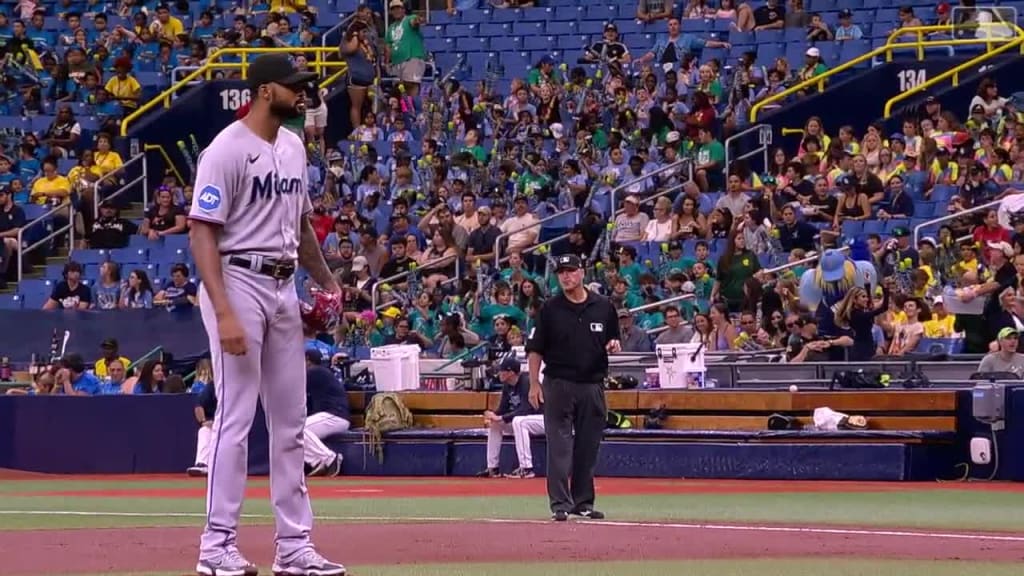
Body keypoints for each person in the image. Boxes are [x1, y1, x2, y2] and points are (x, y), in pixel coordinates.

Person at [187, 53, 345, 576]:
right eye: (292, 85)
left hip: (282, 284)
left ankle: (294, 546)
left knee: (291, 421)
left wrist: (326, 282)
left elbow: (300, 225)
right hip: (235, 279)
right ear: (262, 91)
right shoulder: (225, 151)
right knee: (235, 417)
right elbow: (202, 232)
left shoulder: (294, 147)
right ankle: (216, 546)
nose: (301, 93)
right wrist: (224, 311)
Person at [526, 254, 620, 522]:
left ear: (582, 273)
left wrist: (613, 344)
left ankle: (583, 501)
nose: (566, 276)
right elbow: (535, 349)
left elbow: (612, 338)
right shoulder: (550, 309)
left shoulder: (603, 306)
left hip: (592, 384)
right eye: (561, 272)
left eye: (571, 271)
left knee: (588, 446)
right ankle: (560, 503)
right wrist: (534, 383)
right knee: (559, 445)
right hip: (558, 383)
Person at [478, 357, 543, 479]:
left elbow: (527, 409)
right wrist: (492, 416)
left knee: (519, 421)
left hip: (544, 418)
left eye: (501, 371)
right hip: (526, 421)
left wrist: (502, 417)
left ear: (511, 372)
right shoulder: (507, 386)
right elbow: (502, 409)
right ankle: (493, 468)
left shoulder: (526, 382)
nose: (499, 374)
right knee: (495, 424)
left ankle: (526, 468)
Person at [303, 348, 350, 477]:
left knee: (297, 430)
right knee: (291, 434)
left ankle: (329, 459)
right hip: (331, 416)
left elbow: (291, 385)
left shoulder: (315, 371)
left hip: (335, 416)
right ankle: (319, 462)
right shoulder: (321, 371)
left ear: (307, 359)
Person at [187, 378, 217, 477]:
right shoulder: (213, 385)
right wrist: (204, 421)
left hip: (234, 424)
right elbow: (199, 406)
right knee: (204, 431)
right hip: (215, 424)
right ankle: (202, 464)